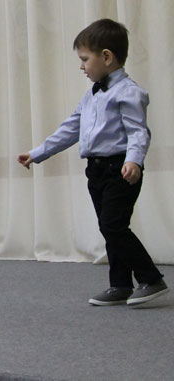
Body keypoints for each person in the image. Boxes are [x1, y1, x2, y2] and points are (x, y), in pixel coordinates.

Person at [17, 18, 167, 307]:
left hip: (120, 169)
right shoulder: (90, 96)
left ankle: (151, 279)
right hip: (96, 171)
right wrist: (37, 153)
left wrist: (134, 161)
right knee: (107, 227)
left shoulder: (129, 92)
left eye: (85, 59)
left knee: (114, 225)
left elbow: (138, 132)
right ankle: (120, 284)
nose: (81, 66)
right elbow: (70, 129)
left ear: (106, 57)